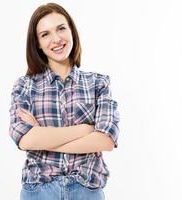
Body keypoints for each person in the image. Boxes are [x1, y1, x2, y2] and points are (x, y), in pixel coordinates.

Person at [9, 2, 120, 200]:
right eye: (45, 34)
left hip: (86, 190)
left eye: (61, 28)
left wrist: (43, 139)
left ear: (72, 31)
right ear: (37, 43)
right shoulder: (24, 86)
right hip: (39, 191)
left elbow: (106, 140)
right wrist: (85, 130)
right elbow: (25, 140)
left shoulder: (98, 83)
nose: (56, 39)